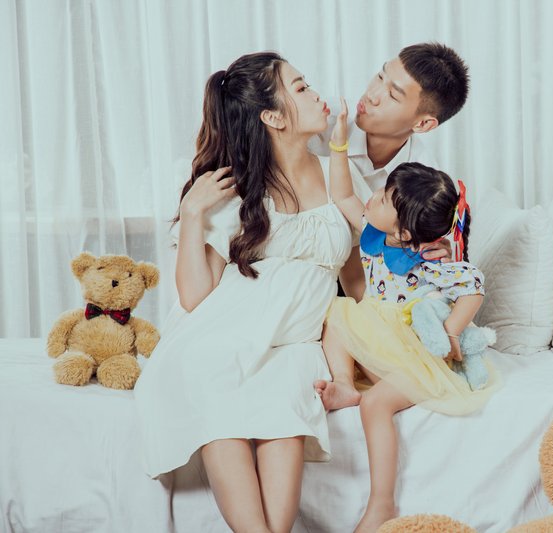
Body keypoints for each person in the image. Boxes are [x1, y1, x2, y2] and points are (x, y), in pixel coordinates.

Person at [134, 52, 353, 533]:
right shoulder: (234, 185)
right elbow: (195, 296)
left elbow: (355, 278)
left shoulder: (337, 172)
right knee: (220, 407)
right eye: (301, 87)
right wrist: (192, 213)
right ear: (272, 117)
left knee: (286, 413)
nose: (316, 94)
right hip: (223, 334)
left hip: (295, 344)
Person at [319, 101, 499, 532]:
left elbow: (474, 287)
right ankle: (344, 383)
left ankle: (381, 503)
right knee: (336, 315)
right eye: (383, 191)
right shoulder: (374, 231)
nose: (373, 197)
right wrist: (339, 145)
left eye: (383, 199)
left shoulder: (426, 260)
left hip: (418, 354)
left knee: (377, 405)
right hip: (379, 335)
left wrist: (451, 332)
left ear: (404, 232)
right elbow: (342, 194)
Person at [309, 42, 471, 298]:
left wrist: (437, 252)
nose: (371, 95)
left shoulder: (424, 185)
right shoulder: (320, 120)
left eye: (393, 95)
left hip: (365, 290)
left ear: (423, 124)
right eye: (380, 76)